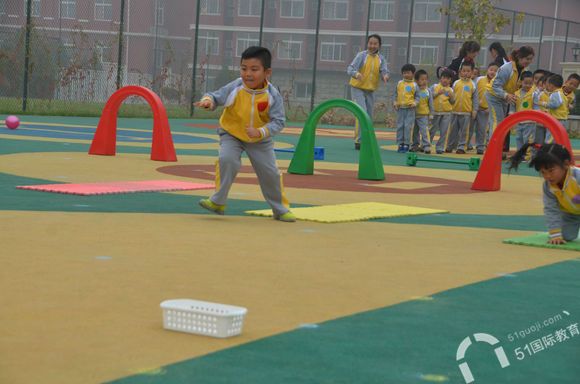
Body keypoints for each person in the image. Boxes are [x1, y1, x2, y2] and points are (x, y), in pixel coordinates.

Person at [194, 46, 295, 222]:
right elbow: (215, 96)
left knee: (270, 172)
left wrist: (260, 132)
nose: (248, 73)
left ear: (267, 72)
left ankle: (280, 209)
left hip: (260, 140)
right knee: (227, 160)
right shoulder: (235, 87)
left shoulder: (273, 95)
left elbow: (279, 122)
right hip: (231, 134)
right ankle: (218, 201)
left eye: (254, 69)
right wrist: (208, 101)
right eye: (244, 68)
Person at [509, 143, 580, 245]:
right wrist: (555, 235)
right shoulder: (548, 187)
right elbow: (551, 209)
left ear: (566, 164)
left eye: (551, 171)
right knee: (566, 236)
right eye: (543, 172)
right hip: (571, 214)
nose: (547, 176)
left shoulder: (577, 177)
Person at [487, 46, 535, 157]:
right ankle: (492, 151)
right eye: (527, 59)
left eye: (531, 59)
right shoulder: (506, 68)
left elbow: (519, 88)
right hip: (494, 96)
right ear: (519, 57)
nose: (529, 62)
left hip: (505, 98)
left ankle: (497, 149)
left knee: (501, 124)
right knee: (496, 122)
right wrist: (506, 95)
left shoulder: (524, 71)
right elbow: (495, 86)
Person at [347, 34, 390, 150]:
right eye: (370, 43)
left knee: (369, 116)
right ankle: (359, 140)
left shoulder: (381, 58)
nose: (372, 46)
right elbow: (350, 69)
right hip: (357, 88)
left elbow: (384, 70)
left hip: (370, 90)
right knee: (362, 112)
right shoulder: (361, 56)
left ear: (379, 46)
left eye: (375, 44)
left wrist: (385, 76)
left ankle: (366, 139)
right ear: (367, 44)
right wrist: (356, 74)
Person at [447, 61, 478, 154]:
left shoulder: (473, 85)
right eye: (464, 71)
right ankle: (450, 146)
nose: (466, 73)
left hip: (466, 113)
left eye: (468, 71)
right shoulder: (456, 83)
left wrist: (475, 110)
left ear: (472, 73)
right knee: (452, 131)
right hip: (454, 112)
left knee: (465, 131)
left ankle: (461, 147)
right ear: (460, 72)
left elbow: (475, 99)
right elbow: (451, 96)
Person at [393, 63, 420, 153]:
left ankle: (407, 144)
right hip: (401, 109)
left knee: (408, 126)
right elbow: (395, 94)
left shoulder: (415, 85)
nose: (406, 75)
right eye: (404, 73)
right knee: (400, 126)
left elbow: (418, 97)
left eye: (408, 73)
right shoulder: (399, 83)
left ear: (413, 74)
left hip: (410, 110)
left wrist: (414, 103)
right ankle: (400, 143)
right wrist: (395, 102)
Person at [474, 62, 498, 154]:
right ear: (487, 70)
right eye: (491, 70)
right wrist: (475, 106)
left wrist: (490, 108)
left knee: (483, 129)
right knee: (471, 128)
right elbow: (474, 92)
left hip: (487, 110)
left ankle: (481, 147)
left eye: (495, 71)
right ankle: (465, 145)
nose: (492, 72)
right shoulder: (479, 79)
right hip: (476, 108)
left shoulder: (497, 83)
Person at [430, 69, 455, 154]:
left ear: (450, 80)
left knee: (444, 131)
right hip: (435, 112)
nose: (445, 80)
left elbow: (452, 102)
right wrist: (437, 93)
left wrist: (452, 97)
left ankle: (440, 147)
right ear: (440, 78)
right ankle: (426, 145)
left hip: (446, 114)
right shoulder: (434, 86)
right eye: (444, 78)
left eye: (448, 78)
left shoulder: (451, 90)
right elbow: (429, 97)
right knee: (432, 129)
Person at [539, 74, 568, 144]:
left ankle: (547, 152)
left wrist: (544, 103)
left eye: (548, 85)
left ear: (551, 85)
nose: (547, 87)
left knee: (550, 139)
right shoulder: (561, 93)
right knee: (558, 139)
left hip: (556, 119)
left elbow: (555, 104)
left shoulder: (555, 94)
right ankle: (555, 152)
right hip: (562, 119)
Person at [410, 69, 434, 153]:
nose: (424, 81)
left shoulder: (428, 91)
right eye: (422, 79)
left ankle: (426, 146)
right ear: (416, 80)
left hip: (424, 115)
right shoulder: (414, 90)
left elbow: (431, 103)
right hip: (414, 115)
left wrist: (431, 114)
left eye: (426, 79)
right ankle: (415, 145)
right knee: (414, 132)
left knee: (424, 131)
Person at [513, 71, 538, 150]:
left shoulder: (534, 93)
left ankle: (527, 155)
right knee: (518, 138)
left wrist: (536, 116)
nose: (528, 85)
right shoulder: (516, 93)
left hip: (530, 121)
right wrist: (511, 113)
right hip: (519, 120)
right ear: (521, 82)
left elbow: (536, 106)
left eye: (530, 83)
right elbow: (513, 105)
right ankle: (520, 154)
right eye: (526, 83)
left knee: (527, 138)